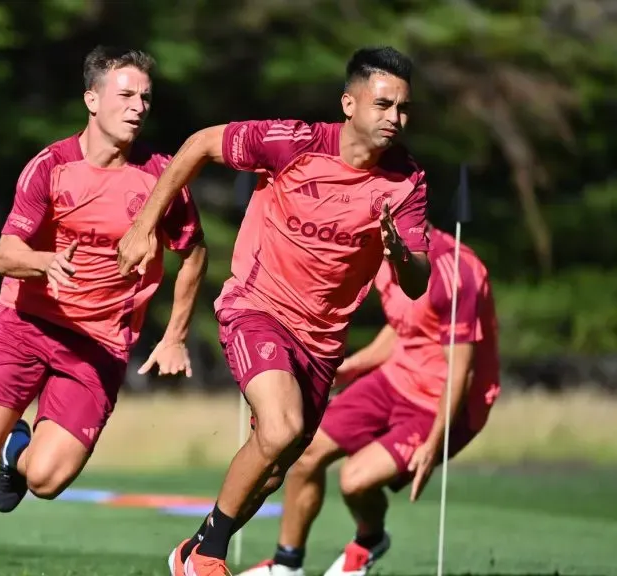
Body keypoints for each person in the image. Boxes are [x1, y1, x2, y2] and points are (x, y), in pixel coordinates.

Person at [116, 46, 431, 576]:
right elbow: (197, 145)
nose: (394, 119)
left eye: (402, 109)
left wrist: (402, 255)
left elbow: (417, 283)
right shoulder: (294, 142)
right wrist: (144, 224)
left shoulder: (408, 180)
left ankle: (191, 550)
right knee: (281, 430)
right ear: (349, 104)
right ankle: (209, 558)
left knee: (273, 465)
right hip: (256, 307)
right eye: (383, 105)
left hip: (323, 341)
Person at [0, 45, 207, 576]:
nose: (138, 107)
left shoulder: (162, 178)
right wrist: (44, 262)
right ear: (91, 100)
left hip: (99, 344)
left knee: (47, 481)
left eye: (145, 97)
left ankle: (18, 453)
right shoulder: (50, 167)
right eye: (125, 95)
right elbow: (3, 255)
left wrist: (175, 336)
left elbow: (195, 253)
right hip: (25, 324)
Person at [235, 222, 500, 576]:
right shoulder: (378, 254)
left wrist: (435, 444)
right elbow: (408, 324)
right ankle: (287, 565)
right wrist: (355, 366)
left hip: (446, 401)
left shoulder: (455, 270)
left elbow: (461, 371)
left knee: (355, 480)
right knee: (304, 450)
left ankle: (369, 540)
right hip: (396, 379)